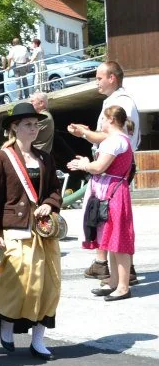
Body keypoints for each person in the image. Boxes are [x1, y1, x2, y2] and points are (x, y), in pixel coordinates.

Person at [0, 103, 61, 361]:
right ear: (14, 128)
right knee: (12, 281)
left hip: (42, 231)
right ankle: (6, 323)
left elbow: (54, 190)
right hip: (14, 229)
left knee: (48, 285)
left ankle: (38, 339)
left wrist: (49, 205)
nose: (33, 128)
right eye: (28, 124)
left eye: (36, 124)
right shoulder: (0, 157)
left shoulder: (45, 158)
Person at [68, 61, 140, 283]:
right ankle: (107, 265)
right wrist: (88, 133)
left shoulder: (123, 103)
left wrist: (84, 134)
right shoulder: (114, 101)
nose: (96, 82)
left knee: (112, 220)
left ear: (112, 78)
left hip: (113, 169)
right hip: (107, 166)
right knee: (104, 218)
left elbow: (118, 137)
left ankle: (124, 271)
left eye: (99, 78)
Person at [68, 106, 135, 302]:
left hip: (112, 192)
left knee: (118, 239)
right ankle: (115, 282)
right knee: (112, 239)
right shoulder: (120, 140)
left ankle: (122, 286)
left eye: (103, 120)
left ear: (112, 120)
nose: (102, 124)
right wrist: (88, 162)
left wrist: (83, 164)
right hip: (114, 190)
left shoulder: (114, 141)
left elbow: (98, 168)